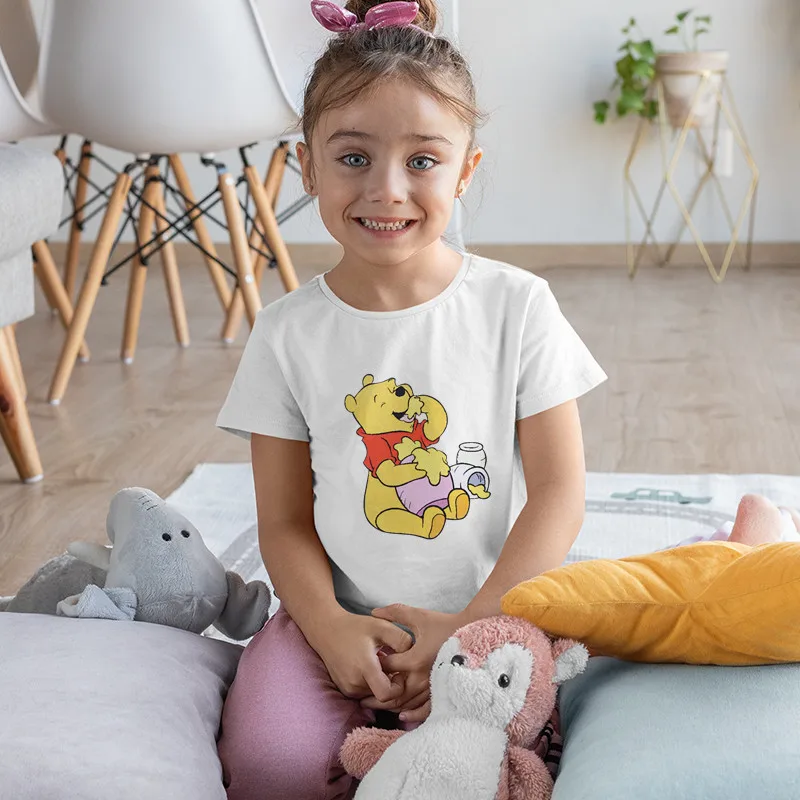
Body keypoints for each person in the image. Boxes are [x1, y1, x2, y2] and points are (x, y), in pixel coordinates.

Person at [214, 1, 607, 797]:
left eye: (423, 160)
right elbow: (283, 521)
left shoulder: (519, 306)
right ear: (307, 168)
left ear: (465, 170)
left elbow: (559, 495)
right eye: (353, 157)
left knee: (506, 765)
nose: (386, 190)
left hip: (491, 618)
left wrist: (470, 626)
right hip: (336, 619)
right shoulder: (286, 333)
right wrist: (330, 628)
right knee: (269, 766)